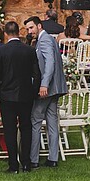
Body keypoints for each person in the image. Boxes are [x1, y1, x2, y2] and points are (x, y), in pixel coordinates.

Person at [0, 20, 38, 172]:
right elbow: (36, 74)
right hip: (25, 94)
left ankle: (13, 164)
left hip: (7, 95)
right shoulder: (29, 50)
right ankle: (26, 162)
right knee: (26, 128)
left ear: (5, 34)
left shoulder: (2, 51)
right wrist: (34, 91)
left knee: (10, 130)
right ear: (19, 32)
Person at [30, 17, 66, 167]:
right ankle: (53, 158)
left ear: (39, 26)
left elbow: (50, 62)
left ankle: (33, 159)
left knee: (36, 120)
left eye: (31, 28)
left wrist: (44, 84)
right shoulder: (49, 39)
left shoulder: (44, 40)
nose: (30, 31)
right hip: (56, 87)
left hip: (48, 88)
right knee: (52, 121)